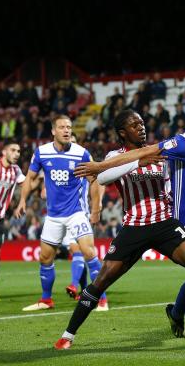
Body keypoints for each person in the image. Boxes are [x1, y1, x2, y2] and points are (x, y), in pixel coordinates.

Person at [54, 109, 185, 350]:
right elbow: (104, 177)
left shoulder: (159, 153)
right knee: (101, 281)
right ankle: (68, 335)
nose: (141, 127)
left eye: (142, 123)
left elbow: (172, 184)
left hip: (165, 224)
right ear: (123, 132)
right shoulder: (115, 155)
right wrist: (138, 162)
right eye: (134, 125)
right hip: (134, 227)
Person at [14, 115, 108, 312]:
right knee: (45, 258)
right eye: (62, 127)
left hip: (77, 213)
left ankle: (102, 300)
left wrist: (96, 209)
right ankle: (46, 300)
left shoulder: (81, 153)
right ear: (53, 131)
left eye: (69, 127)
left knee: (89, 253)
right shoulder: (42, 152)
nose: (67, 130)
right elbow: (30, 177)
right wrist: (22, 200)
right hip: (54, 216)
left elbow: (95, 180)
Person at [0, 141, 29, 301]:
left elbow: (27, 183)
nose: (17, 154)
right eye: (13, 150)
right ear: (4, 152)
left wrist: (43, 181)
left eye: (19, 151)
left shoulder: (15, 171)